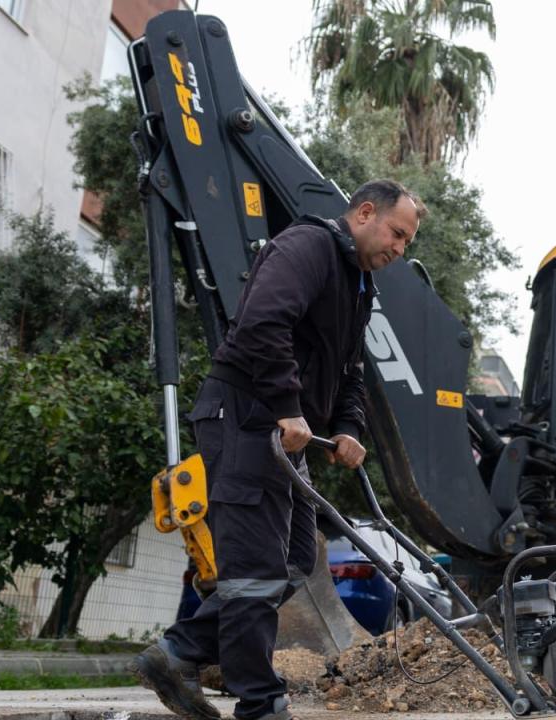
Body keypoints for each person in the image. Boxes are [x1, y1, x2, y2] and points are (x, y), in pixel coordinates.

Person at [133, 180, 424, 720]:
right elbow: (264, 323)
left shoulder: (359, 284)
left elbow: (351, 371)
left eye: (407, 241)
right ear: (365, 213)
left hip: (284, 434)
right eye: (398, 234)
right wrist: (288, 406)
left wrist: (348, 427)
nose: (400, 249)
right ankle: (261, 703)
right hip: (247, 418)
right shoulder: (308, 247)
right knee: (255, 567)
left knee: (294, 559)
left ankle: (178, 653)